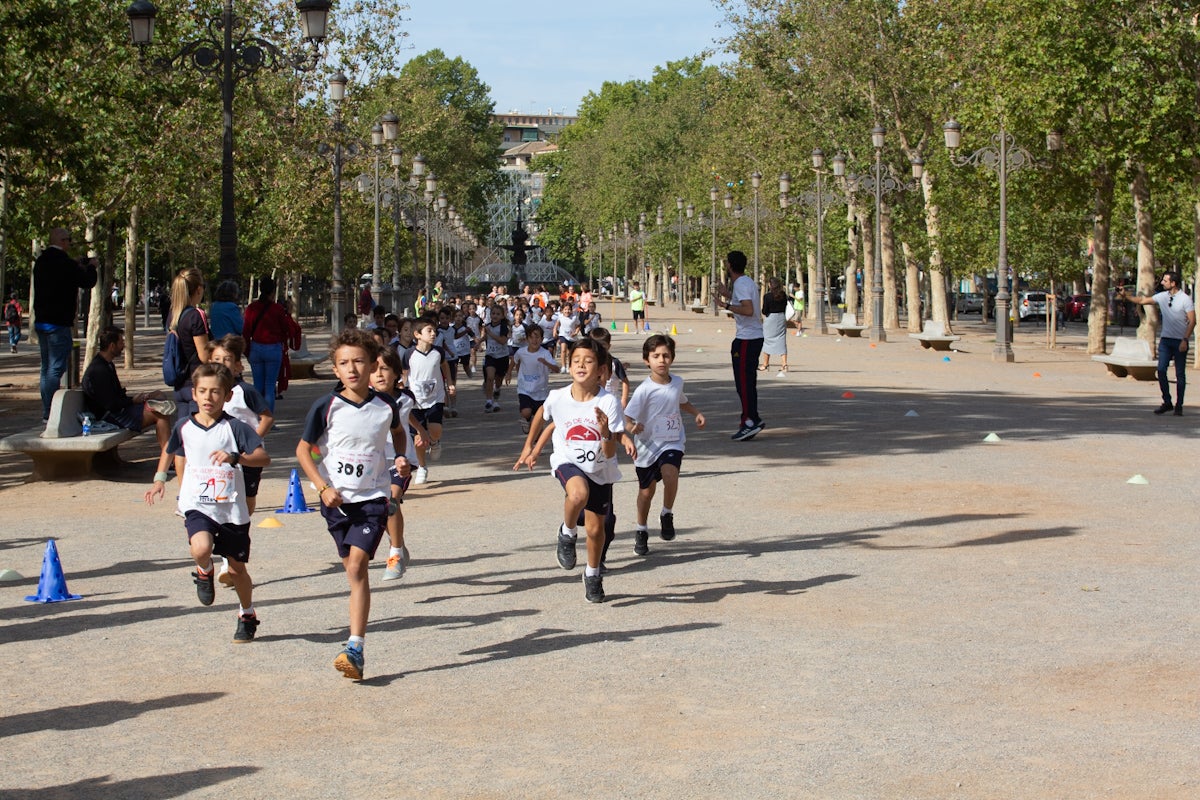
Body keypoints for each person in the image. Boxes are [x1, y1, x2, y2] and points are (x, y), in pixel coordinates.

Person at [294, 329, 411, 680]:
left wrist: (401, 458)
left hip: (373, 500)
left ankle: (355, 646)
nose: (352, 368)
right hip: (336, 502)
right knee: (352, 572)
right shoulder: (326, 406)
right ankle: (356, 648)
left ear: (373, 363)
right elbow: (303, 449)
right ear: (335, 369)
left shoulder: (385, 405)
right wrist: (322, 486)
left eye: (359, 361)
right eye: (344, 363)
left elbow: (398, 433)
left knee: (358, 566)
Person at [144, 363, 270, 644]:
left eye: (216, 392)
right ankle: (204, 570)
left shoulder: (235, 428)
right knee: (201, 547)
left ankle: (247, 614)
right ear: (193, 393)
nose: (208, 397)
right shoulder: (184, 426)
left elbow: (263, 458)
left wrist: (236, 457)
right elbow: (170, 449)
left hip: (231, 510)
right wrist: (159, 479)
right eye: (203, 391)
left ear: (227, 396)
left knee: (237, 570)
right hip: (197, 504)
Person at [514, 338, 634, 604]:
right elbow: (541, 416)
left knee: (595, 530)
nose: (581, 364)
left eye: (588, 361)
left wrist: (605, 433)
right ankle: (567, 532)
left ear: (602, 370)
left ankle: (592, 574)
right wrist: (529, 447)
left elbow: (611, 453)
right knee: (577, 494)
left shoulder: (609, 403)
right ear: (569, 366)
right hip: (567, 460)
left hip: (600, 469)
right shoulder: (558, 397)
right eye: (576, 360)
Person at [624, 334, 706, 556]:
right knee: (646, 492)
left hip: (672, 442)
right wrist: (631, 428)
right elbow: (627, 416)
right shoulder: (644, 389)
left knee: (671, 475)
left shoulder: (677, 382)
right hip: (647, 446)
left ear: (672, 358)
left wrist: (696, 413)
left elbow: (682, 400)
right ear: (646, 360)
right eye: (656, 356)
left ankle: (667, 513)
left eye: (666, 356)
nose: (661, 360)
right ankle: (641, 529)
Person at [369, 347, 430, 582]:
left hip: (401, 459)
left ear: (397, 373)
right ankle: (400, 544)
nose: (379, 374)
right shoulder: (366, 399)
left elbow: (406, 415)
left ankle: (394, 555)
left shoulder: (406, 398)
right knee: (383, 509)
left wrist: (421, 430)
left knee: (391, 502)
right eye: (374, 370)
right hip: (374, 462)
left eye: (385, 369)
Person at [33, 228, 98, 420]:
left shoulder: (41, 262)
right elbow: (87, 282)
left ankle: (47, 410)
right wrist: (92, 266)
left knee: (46, 368)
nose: (70, 244)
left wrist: (75, 265)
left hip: (42, 321)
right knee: (55, 369)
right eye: (68, 240)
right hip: (58, 323)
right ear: (62, 241)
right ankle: (51, 411)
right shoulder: (65, 264)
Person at [82, 326, 176, 450]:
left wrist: (138, 399)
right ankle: (169, 460)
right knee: (160, 414)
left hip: (116, 410)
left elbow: (115, 397)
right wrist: (132, 401)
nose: (123, 346)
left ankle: (168, 457)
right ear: (112, 346)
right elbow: (110, 405)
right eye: (121, 342)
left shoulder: (107, 364)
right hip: (108, 416)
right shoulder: (99, 370)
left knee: (158, 398)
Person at [1119, 273, 1197, 415]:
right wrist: (1126, 296)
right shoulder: (1162, 296)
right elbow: (1142, 300)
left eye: (1165, 280)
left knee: (1180, 374)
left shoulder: (1185, 299)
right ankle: (1167, 401)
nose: (1162, 282)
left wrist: (1185, 339)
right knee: (1161, 370)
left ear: (1173, 283)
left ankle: (1179, 405)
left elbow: (1192, 321)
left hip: (1180, 341)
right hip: (1166, 340)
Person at [715, 251, 765, 441]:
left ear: (729, 265)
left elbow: (748, 309)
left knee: (744, 384)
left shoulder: (742, 283)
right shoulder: (744, 282)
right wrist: (726, 295)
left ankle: (749, 421)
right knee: (746, 382)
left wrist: (725, 305)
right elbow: (743, 302)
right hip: (749, 337)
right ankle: (752, 417)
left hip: (747, 339)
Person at [400, 318, 456, 484]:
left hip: (435, 398)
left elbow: (445, 366)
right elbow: (404, 372)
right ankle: (422, 467)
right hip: (415, 400)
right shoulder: (409, 354)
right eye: (429, 331)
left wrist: (450, 383)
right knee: (418, 438)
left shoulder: (438, 352)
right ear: (417, 335)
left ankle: (435, 441)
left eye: (434, 331)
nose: (433, 334)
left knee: (435, 429)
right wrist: (401, 386)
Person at [242, 276, 290, 412]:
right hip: (273, 348)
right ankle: (268, 419)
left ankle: (256, 416)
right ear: (273, 291)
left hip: (256, 348)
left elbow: (246, 331)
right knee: (269, 386)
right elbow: (285, 329)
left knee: (258, 385)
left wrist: (247, 351)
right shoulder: (277, 309)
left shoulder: (251, 308)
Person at [166, 268, 211, 413]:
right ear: (198, 289)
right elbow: (204, 356)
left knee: (184, 431)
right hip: (196, 383)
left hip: (179, 384)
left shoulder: (173, 316)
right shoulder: (196, 316)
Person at [507, 324, 559, 434]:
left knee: (539, 418)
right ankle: (526, 419)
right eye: (531, 337)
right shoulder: (521, 352)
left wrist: (546, 363)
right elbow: (514, 361)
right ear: (527, 339)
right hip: (524, 388)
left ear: (542, 339)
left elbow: (556, 369)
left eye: (537, 337)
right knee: (526, 412)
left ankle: (535, 439)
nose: (534, 340)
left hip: (540, 391)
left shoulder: (545, 353)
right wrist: (509, 373)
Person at [760, 277, 790, 375]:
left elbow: (764, 310)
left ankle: (765, 364)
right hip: (781, 318)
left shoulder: (767, 296)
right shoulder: (783, 295)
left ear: (770, 285)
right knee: (782, 340)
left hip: (771, 319)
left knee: (767, 340)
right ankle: (784, 364)